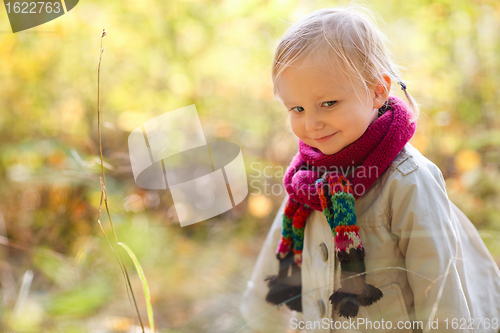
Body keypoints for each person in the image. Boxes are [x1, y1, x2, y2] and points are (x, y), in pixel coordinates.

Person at [239, 4, 500, 333]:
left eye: (329, 103)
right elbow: (271, 284)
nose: (312, 122)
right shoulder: (305, 181)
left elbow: (441, 295)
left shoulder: (408, 181)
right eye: (298, 108)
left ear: (378, 91)